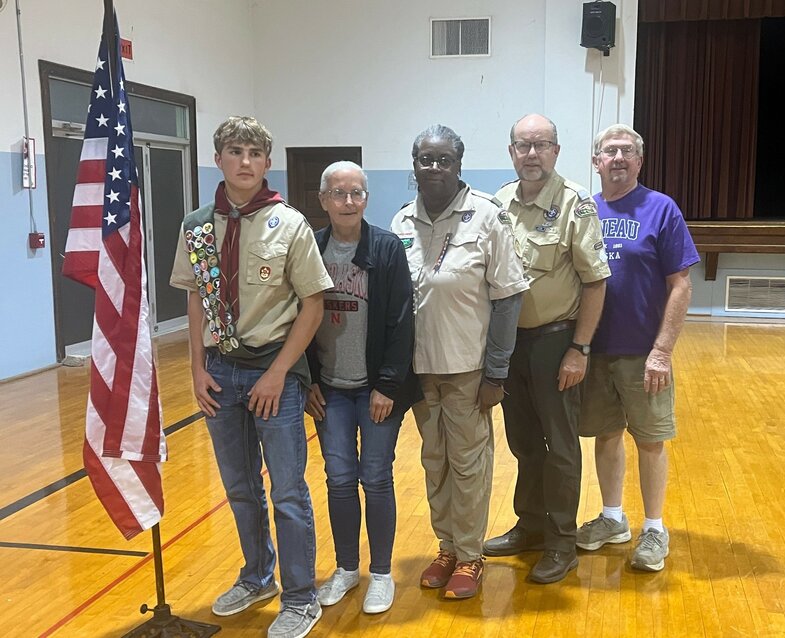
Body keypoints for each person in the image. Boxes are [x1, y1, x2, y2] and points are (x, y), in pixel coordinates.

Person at [170, 116, 333, 638]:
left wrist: (280, 372)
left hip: (273, 375)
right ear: (218, 159)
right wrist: (197, 367)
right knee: (240, 489)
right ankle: (256, 576)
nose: (245, 161)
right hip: (221, 373)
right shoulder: (197, 225)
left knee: (287, 490)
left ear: (267, 163)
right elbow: (196, 297)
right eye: (235, 151)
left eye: (255, 153)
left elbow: (313, 304)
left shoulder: (289, 224)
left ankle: (301, 596)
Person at [391, 124, 528, 599]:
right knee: (435, 462)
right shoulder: (402, 221)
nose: (433, 167)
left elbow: (509, 299)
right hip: (421, 369)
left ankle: (470, 556)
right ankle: (446, 546)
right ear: (414, 165)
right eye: (425, 159)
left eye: (443, 159)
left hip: (469, 370)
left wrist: (496, 372)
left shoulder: (487, 217)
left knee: (469, 464)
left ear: (458, 164)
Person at [483, 113, 610, 584]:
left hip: (556, 341)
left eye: (541, 145)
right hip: (508, 345)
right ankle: (530, 526)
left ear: (556, 150)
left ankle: (561, 541)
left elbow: (595, 283)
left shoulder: (575, 203)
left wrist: (580, 348)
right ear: (511, 151)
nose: (531, 154)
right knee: (522, 441)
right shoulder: (497, 203)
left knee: (559, 446)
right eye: (522, 145)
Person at [575, 123, 699, 573]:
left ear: (640, 162)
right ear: (597, 162)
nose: (619, 158)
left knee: (650, 440)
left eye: (628, 151)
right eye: (611, 151)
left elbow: (681, 284)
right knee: (605, 435)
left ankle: (653, 528)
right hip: (595, 350)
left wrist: (662, 350)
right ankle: (612, 519)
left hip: (645, 354)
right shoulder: (585, 210)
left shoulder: (661, 209)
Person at [304, 161, 419, 614]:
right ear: (323, 199)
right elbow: (299, 318)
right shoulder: (311, 248)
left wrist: (388, 385)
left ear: (366, 199)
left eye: (355, 193)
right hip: (329, 390)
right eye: (338, 193)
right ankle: (347, 568)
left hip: (375, 391)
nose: (347, 202)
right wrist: (309, 379)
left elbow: (400, 321)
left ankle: (383, 573)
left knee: (376, 477)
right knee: (337, 479)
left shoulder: (387, 249)